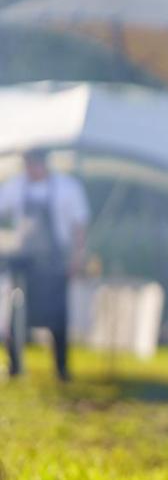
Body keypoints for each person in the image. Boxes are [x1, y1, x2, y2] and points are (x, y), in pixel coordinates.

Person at [0, 148, 89, 381]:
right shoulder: (16, 186)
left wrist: (77, 258)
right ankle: (15, 366)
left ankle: (61, 368)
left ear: (44, 163)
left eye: (33, 164)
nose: (30, 169)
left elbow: (79, 226)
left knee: (57, 317)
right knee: (17, 313)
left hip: (55, 262)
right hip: (24, 261)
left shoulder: (67, 188)